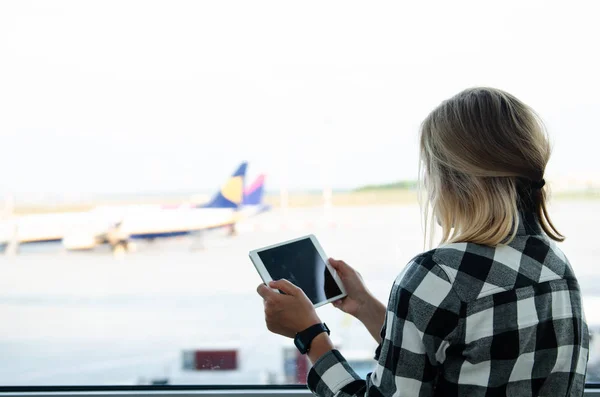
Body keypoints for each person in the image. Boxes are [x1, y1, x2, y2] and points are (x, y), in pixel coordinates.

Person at [257, 87, 590, 396]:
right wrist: (366, 307)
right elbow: (456, 351)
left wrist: (310, 335)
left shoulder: (436, 274)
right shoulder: (556, 266)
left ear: (452, 180)